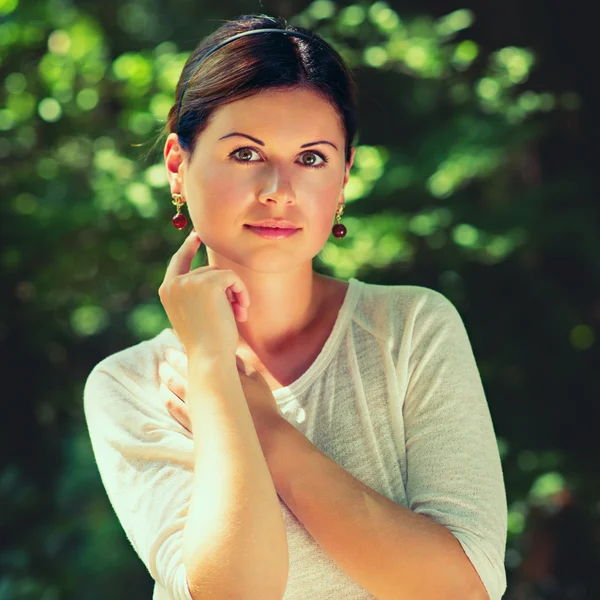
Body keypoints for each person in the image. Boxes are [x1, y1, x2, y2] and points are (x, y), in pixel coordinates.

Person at [83, 13, 507, 600]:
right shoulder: (130, 386)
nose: (279, 188)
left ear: (344, 175)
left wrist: (268, 430)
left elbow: (466, 588)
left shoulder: (409, 329)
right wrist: (211, 369)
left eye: (311, 158)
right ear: (178, 167)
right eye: (245, 154)